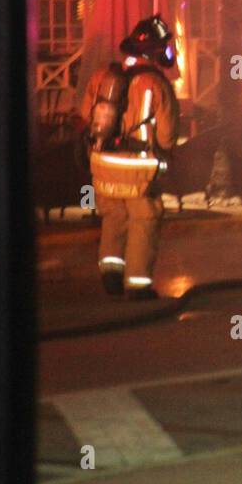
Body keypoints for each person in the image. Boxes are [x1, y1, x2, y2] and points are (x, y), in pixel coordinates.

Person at [78, 16, 180, 300]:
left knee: (114, 215)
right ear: (155, 50)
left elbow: (86, 115)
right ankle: (138, 285)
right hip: (138, 169)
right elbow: (168, 135)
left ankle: (111, 273)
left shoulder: (102, 75)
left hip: (101, 162)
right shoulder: (156, 83)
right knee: (143, 221)